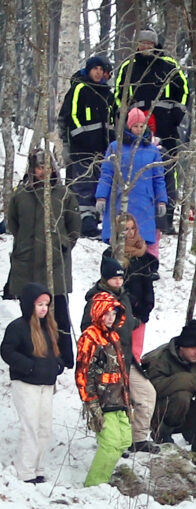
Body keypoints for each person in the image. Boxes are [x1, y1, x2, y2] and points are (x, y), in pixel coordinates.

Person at [6, 149, 81, 368]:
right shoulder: (21, 195)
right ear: (32, 169)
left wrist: (62, 246)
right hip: (26, 265)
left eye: (47, 167)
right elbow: (13, 224)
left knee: (59, 314)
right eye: (39, 168)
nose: (43, 172)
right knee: (29, 315)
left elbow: (74, 228)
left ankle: (65, 358)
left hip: (56, 266)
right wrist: (23, 246)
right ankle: (33, 354)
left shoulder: (64, 194)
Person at [81, 254, 159, 453]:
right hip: (106, 362)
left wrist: (137, 321)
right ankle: (110, 443)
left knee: (146, 394)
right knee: (111, 405)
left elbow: (126, 321)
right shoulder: (96, 300)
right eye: (114, 278)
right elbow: (87, 329)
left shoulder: (124, 295)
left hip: (126, 357)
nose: (118, 281)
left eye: (120, 277)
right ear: (105, 278)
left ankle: (138, 439)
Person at [112, 29, 188, 234]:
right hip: (135, 127)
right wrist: (127, 115)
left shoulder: (170, 66)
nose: (145, 47)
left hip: (166, 127)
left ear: (155, 45)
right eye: (142, 43)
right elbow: (119, 94)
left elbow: (184, 92)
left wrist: (175, 116)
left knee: (167, 170)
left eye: (149, 43)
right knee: (133, 169)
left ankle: (166, 217)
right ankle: (131, 218)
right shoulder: (129, 66)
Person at [141, 320, 196, 472]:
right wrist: (194, 381)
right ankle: (162, 436)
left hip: (186, 414)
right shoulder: (160, 358)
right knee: (182, 394)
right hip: (158, 415)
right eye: (193, 348)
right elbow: (153, 389)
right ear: (182, 347)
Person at [1, 283, 65, 483]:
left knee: (44, 427)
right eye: (39, 304)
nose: (44, 308)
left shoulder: (48, 327)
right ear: (30, 305)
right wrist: (28, 367)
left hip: (46, 385)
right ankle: (26, 471)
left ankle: (39, 468)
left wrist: (58, 364)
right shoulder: (18, 327)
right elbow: (7, 351)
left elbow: (54, 353)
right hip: (26, 383)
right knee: (30, 427)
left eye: (46, 304)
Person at [95, 107, 168, 259]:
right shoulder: (116, 147)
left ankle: (141, 269)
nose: (139, 129)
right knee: (120, 236)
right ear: (129, 126)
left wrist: (161, 200)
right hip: (119, 201)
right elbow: (107, 173)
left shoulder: (152, 150)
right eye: (136, 126)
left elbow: (159, 178)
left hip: (144, 202)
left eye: (142, 126)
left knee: (141, 238)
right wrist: (101, 196)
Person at [76, 292, 132, 486]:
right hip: (101, 399)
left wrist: (127, 398)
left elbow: (122, 370)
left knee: (124, 440)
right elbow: (82, 373)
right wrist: (90, 401)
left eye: (114, 314)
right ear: (98, 312)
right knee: (110, 443)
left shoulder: (114, 336)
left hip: (119, 398)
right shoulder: (89, 337)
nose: (111, 318)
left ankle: (104, 477)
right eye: (107, 313)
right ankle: (94, 484)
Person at [58, 54, 114, 238]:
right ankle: (83, 221)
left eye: (102, 70)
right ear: (88, 69)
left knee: (98, 182)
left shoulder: (107, 93)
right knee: (83, 183)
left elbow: (114, 119)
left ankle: (92, 219)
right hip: (81, 148)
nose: (98, 73)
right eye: (95, 69)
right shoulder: (79, 88)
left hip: (103, 149)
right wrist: (80, 137)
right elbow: (70, 116)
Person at [104, 214, 159, 360]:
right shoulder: (111, 255)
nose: (130, 233)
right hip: (117, 314)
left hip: (140, 313)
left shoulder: (144, 255)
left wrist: (145, 310)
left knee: (135, 354)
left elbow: (148, 286)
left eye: (132, 228)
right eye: (125, 229)